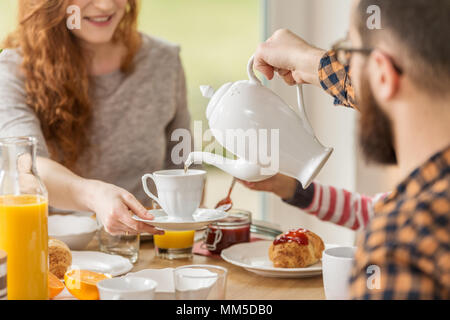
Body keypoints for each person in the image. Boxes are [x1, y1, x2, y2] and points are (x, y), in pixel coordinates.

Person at [241, 0, 450, 299]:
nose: (346, 64)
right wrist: (290, 187)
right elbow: (369, 210)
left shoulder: (402, 251)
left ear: (381, 73)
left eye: (349, 52)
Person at [0, 0, 193, 236]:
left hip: (146, 250)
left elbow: (184, 163)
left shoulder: (163, 61)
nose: (104, 6)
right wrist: (95, 196)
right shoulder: (12, 70)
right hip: (58, 251)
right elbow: (26, 166)